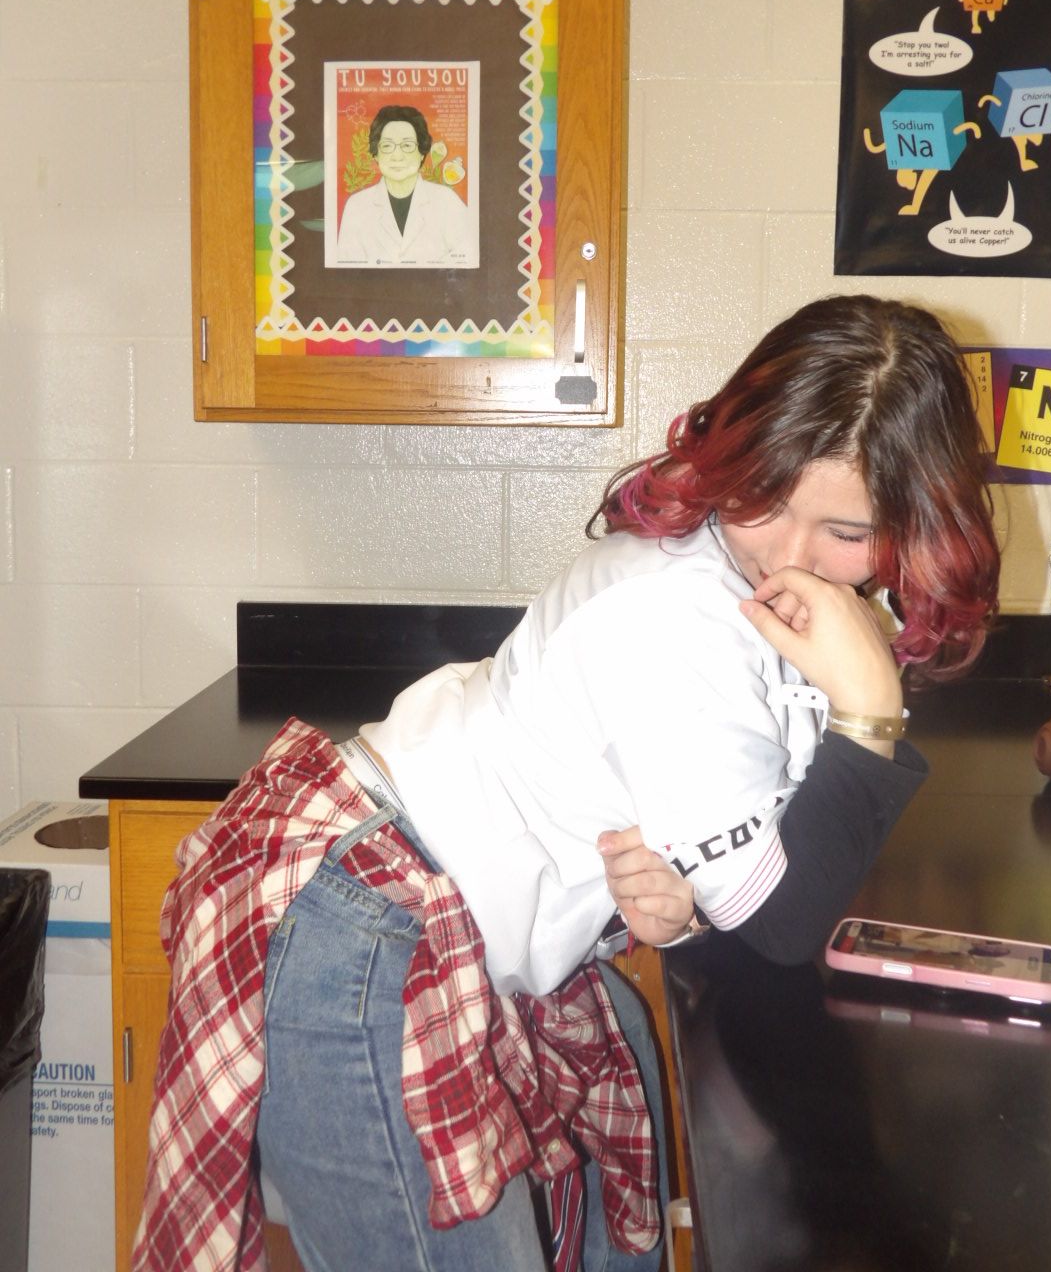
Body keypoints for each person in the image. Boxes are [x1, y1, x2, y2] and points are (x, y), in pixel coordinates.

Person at [134, 294, 1000, 1272]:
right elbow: (787, 915)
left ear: (916, 527)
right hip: (370, 929)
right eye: (763, 494)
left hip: (435, 918)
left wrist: (700, 896)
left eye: (843, 529)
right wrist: (871, 709)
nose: (785, 554)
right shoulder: (676, 614)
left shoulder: (764, 599)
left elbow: (778, 852)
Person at [335, 104, 473, 268]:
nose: (397, 156)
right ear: (376, 154)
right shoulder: (356, 206)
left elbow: (468, 259)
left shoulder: (447, 201)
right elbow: (347, 271)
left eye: (407, 145)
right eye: (387, 146)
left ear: (422, 152)